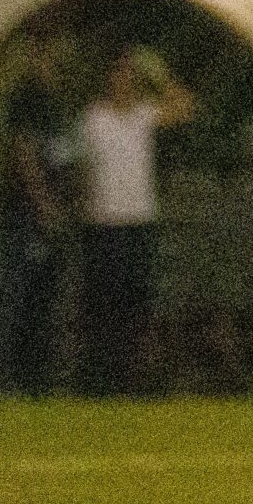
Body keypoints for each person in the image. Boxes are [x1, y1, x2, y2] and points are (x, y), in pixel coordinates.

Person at [75, 47, 196, 395]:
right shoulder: (93, 119)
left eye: (130, 74)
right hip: (103, 222)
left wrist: (159, 74)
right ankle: (99, 379)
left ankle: (132, 378)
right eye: (119, 73)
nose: (124, 81)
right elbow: (82, 169)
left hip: (139, 221)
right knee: (102, 304)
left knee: (137, 302)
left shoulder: (144, 115)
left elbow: (184, 108)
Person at [0, 29, 76, 396]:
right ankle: (17, 379)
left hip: (51, 212)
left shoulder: (55, 99)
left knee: (45, 295)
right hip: (28, 214)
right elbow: (24, 153)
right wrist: (44, 205)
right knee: (23, 294)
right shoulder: (28, 96)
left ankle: (37, 380)